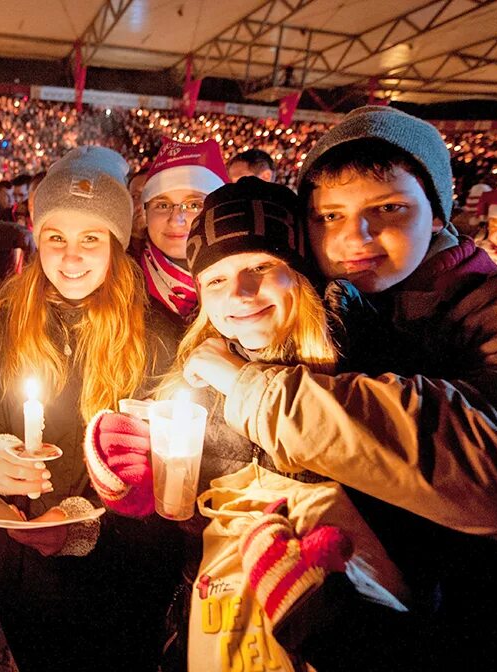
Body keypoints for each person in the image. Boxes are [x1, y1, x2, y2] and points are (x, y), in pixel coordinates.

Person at [182, 106, 497, 670]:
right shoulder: (327, 316)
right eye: (328, 216)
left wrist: (259, 393)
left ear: (437, 213)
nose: (356, 236)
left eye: (388, 208)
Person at [84, 177, 410, 671]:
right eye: (215, 279)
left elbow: (427, 573)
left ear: (300, 273)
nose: (239, 292)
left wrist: (322, 613)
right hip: (214, 638)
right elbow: (184, 547)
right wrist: (142, 492)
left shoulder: (372, 374)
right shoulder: (195, 374)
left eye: (261, 266)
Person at [0, 146, 184, 672]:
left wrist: (83, 522)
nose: (71, 257)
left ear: (115, 244)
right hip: (29, 567)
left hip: (125, 574)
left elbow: (160, 468)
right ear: (37, 240)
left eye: (91, 239)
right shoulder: (5, 320)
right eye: (56, 238)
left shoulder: (155, 334)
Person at [138, 139, 228, 326]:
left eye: (194, 205)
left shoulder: (251, 284)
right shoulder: (117, 281)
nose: (176, 218)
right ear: (145, 213)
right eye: (163, 205)